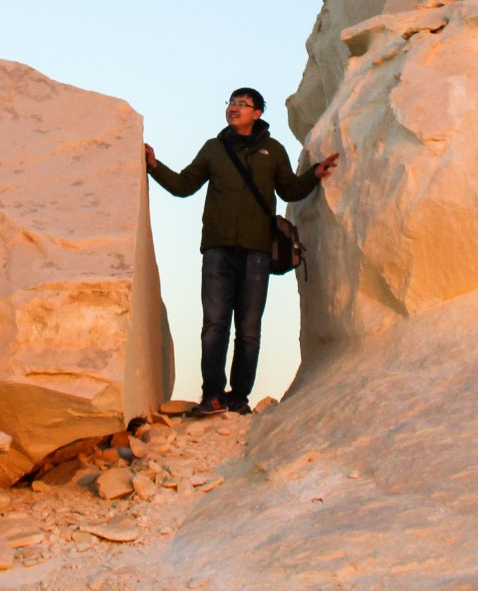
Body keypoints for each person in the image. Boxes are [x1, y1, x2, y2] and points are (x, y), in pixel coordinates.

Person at [145, 87, 338, 415]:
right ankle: (213, 396)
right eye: (232, 103)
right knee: (214, 325)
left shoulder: (273, 151)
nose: (234, 108)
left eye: (243, 104)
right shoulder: (214, 149)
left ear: (258, 113)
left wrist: (314, 174)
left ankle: (239, 398)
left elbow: (289, 189)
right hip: (217, 249)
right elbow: (183, 186)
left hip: (256, 251)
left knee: (249, 329)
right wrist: (154, 165)